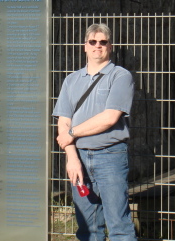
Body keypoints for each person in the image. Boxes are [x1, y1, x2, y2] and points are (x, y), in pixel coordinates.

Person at [53, 24, 137, 241]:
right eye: (93, 42)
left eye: (103, 42)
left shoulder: (120, 76)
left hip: (110, 155)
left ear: (110, 46)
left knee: (119, 225)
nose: (97, 46)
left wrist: (72, 133)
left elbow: (110, 118)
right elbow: (63, 122)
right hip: (79, 158)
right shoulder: (71, 80)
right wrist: (72, 158)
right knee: (87, 228)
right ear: (85, 46)